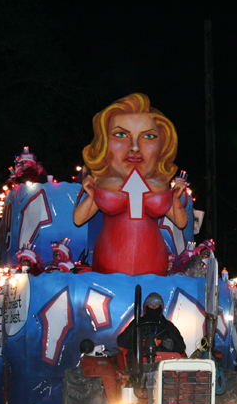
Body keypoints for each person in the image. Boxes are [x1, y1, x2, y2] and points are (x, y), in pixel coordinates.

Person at [73, 93, 188, 276]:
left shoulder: (160, 186)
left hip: (154, 266)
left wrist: (174, 197)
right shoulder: (102, 184)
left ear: (163, 145)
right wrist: (90, 193)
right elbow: (78, 219)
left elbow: (181, 222)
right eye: (121, 135)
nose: (134, 147)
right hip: (107, 264)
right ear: (104, 143)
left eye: (148, 136)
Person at [116, 292, 186, 356]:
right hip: (139, 360)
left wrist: (172, 346)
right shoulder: (137, 323)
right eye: (151, 305)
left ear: (161, 307)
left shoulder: (168, 326)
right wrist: (133, 335)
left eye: (157, 305)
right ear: (146, 307)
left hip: (163, 359)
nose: (154, 308)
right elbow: (122, 341)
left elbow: (181, 347)